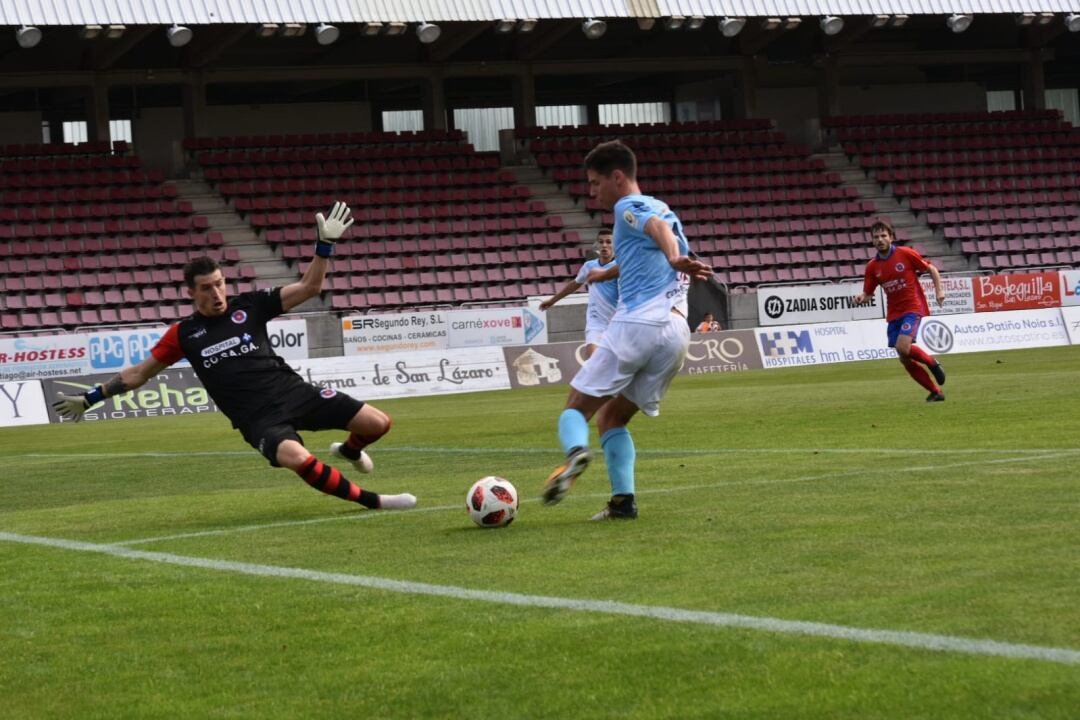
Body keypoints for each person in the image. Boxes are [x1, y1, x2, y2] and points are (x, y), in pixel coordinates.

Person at [52, 202, 417, 511]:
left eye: (220, 283)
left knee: (378, 423)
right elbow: (138, 375)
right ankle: (375, 501)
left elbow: (311, 287)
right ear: (192, 293)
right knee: (299, 459)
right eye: (207, 288)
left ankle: (350, 451)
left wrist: (324, 246)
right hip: (258, 419)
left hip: (295, 393)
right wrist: (90, 398)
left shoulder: (251, 306)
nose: (217, 292)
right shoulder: (183, 335)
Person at [542, 140, 712, 520]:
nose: (592, 192)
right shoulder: (664, 208)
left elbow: (654, 232)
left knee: (575, 408)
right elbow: (651, 241)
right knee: (612, 418)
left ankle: (575, 454)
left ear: (617, 177)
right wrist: (607, 271)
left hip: (637, 323)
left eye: (594, 182)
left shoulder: (627, 206)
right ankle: (623, 503)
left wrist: (672, 256)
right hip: (674, 333)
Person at [853, 218, 947, 402]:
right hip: (894, 313)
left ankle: (932, 363)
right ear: (872, 241)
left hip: (912, 307)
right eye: (876, 237)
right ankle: (936, 392)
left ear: (891, 238)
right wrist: (861, 298)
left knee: (902, 346)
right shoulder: (872, 266)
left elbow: (932, 270)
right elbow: (868, 293)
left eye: (883, 236)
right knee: (903, 358)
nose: (880, 240)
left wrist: (939, 290)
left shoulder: (906, 254)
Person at [538, 228, 618, 358]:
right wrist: (553, 300)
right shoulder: (589, 266)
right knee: (592, 360)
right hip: (596, 322)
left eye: (608, 242)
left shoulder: (619, 267)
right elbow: (574, 284)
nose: (604, 245)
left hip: (617, 322)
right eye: (601, 242)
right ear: (597, 245)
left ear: (615, 245)